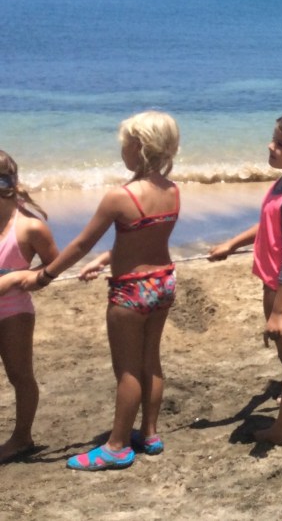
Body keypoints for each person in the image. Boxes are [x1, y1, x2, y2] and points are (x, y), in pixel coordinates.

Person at [13, 112, 180, 470]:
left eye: (124, 143)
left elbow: (79, 245)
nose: (122, 150)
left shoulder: (119, 197)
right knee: (151, 360)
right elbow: (146, 239)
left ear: (138, 147)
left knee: (127, 370)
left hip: (131, 292)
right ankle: (149, 433)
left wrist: (44, 276)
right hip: (164, 281)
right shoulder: (173, 191)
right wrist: (109, 258)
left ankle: (118, 446)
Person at [209, 113, 282, 443]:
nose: (270, 146)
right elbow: (269, 226)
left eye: (279, 143)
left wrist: (278, 311)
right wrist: (233, 243)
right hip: (280, 282)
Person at [0, 151, 58, 464]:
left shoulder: (29, 228)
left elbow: (53, 267)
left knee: (20, 375)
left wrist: (25, 276)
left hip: (13, 312)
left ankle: (22, 437)